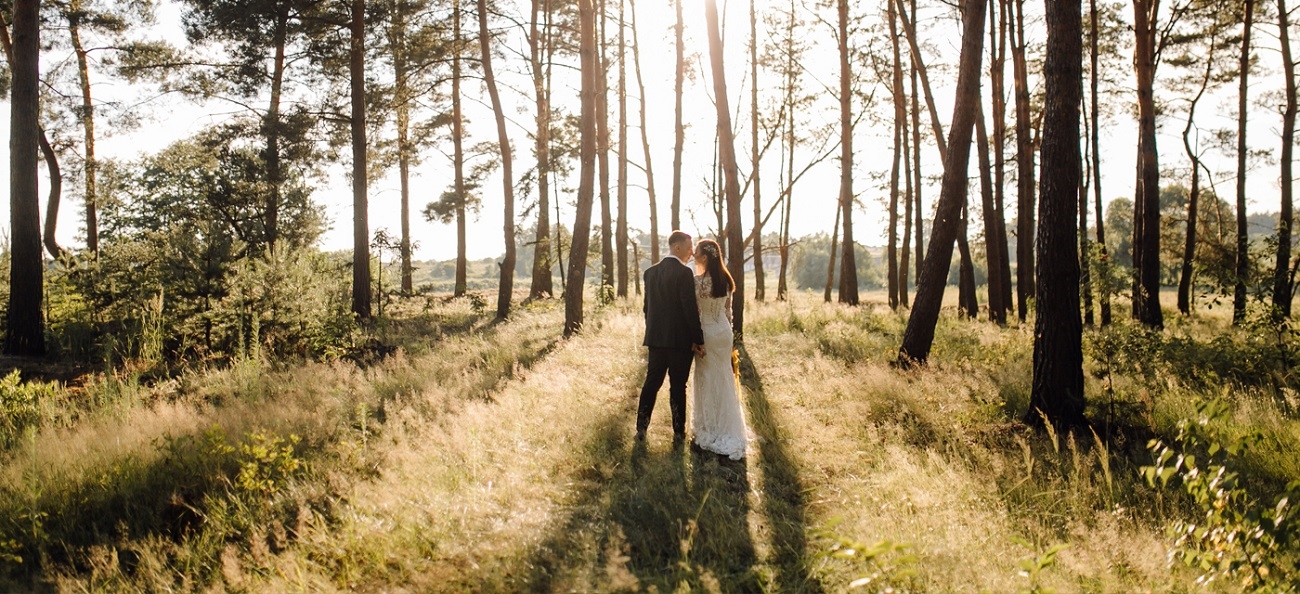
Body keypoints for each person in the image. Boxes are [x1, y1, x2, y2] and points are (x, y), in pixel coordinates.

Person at [636, 231, 706, 442]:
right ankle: (678, 432)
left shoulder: (650, 273)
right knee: (678, 387)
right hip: (680, 342)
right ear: (677, 248)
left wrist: (654, 330)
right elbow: (689, 309)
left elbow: (647, 308)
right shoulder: (684, 273)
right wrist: (698, 339)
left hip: (656, 340)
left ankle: (641, 427)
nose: (692, 252)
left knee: (652, 383)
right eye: (689, 247)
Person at [689, 238, 747, 460]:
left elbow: (695, 312)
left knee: (706, 377)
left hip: (707, 333)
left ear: (704, 257)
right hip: (724, 332)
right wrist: (731, 339)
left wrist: (696, 338)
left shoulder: (698, 282)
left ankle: (710, 427)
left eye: (697, 252)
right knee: (723, 376)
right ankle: (728, 425)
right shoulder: (725, 279)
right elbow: (728, 312)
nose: (694, 255)